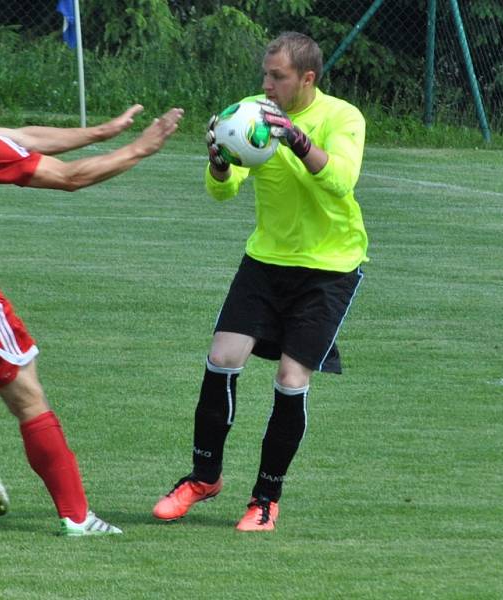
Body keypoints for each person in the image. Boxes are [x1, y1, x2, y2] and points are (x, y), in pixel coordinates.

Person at [0, 51, 183, 536]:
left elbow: (22, 138)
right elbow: (69, 178)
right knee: (29, 399)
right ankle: (78, 517)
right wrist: (139, 149)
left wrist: (102, 132)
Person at [152, 32, 367, 532]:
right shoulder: (250, 111)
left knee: (291, 380)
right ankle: (203, 478)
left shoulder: (342, 117)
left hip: (330, 267)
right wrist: (219, 163)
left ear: (307, 79)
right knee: (222, 358)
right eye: (265, 74)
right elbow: (223, 193)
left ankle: (265, 501)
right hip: (266, 261)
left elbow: (341, 181)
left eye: (278, 77)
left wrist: (295, 139)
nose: (266, 85)